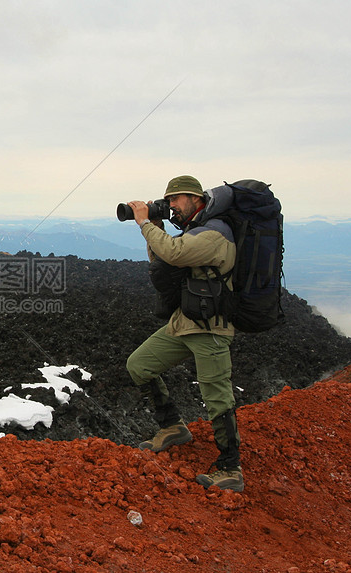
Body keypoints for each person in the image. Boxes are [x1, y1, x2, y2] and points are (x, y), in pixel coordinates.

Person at [126, 175, 243, 492]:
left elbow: (175, 254)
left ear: (196, 198)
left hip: (210, 329)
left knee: (216, 397)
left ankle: (230, 468)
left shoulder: (216, 233)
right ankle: (173, 427)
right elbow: (164, 259)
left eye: (176, 200)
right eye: (169, 201)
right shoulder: (193, 232)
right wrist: (157, 227)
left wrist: (144, 223)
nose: (172, 206)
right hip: (184, 322)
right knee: (139, 366)